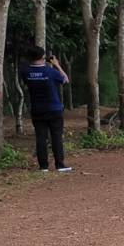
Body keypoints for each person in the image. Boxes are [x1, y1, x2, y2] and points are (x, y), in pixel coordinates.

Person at [21, 44, 72, 173]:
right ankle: (60, 164)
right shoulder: (50, 71)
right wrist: (56, 64)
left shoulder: (26, 72)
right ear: (43, 57)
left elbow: (26, 82)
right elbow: (65, 80)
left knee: (41, 137)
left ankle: (43, 166)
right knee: (56, 137)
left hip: (37, 109)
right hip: (54, 109)